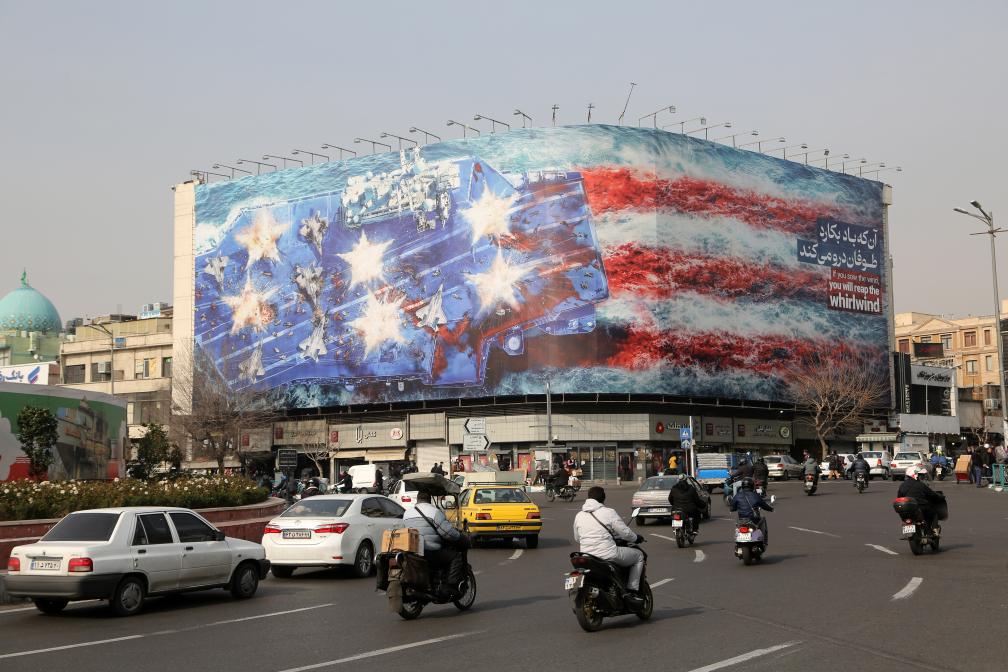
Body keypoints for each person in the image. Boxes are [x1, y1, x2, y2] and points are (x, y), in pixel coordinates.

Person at [573, 486, 645, 605]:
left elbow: (577, 538)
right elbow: (625, 533)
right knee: (639, 556)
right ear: (603, 498)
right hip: (607, 554)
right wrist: (636, 538)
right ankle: (632, 591)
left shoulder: (579, 515)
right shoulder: (608, 512)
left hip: (587, 556)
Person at [402, 491, 465, 597]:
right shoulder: (434, 512)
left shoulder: (407, 513)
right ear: (429, 500)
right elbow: (447, 532)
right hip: (430, 550)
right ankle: (450, 586)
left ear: (417, 500)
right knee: (456, 556)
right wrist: (459, 536)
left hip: (413, 551)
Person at [897, 467, 945, 531]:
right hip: (920, 507)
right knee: (934, 513)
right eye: (919, 475)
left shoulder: (902, 485)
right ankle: (934, 529)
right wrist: (940, 496)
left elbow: (899, 497)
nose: (920, 477)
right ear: (915, 475)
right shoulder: (920, 485)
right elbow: (931, 494)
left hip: (907, 509)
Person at [729, 477, 774, 544]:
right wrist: (771, 509)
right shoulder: (755, 495)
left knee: (737, 525)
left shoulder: (737, 496)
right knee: (762, 519)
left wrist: (735, 508)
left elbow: (732, 508)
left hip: (742, 520)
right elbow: (764, 505)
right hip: (753, 519)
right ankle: (764, 541)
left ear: (742, 486)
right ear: (752, 486)